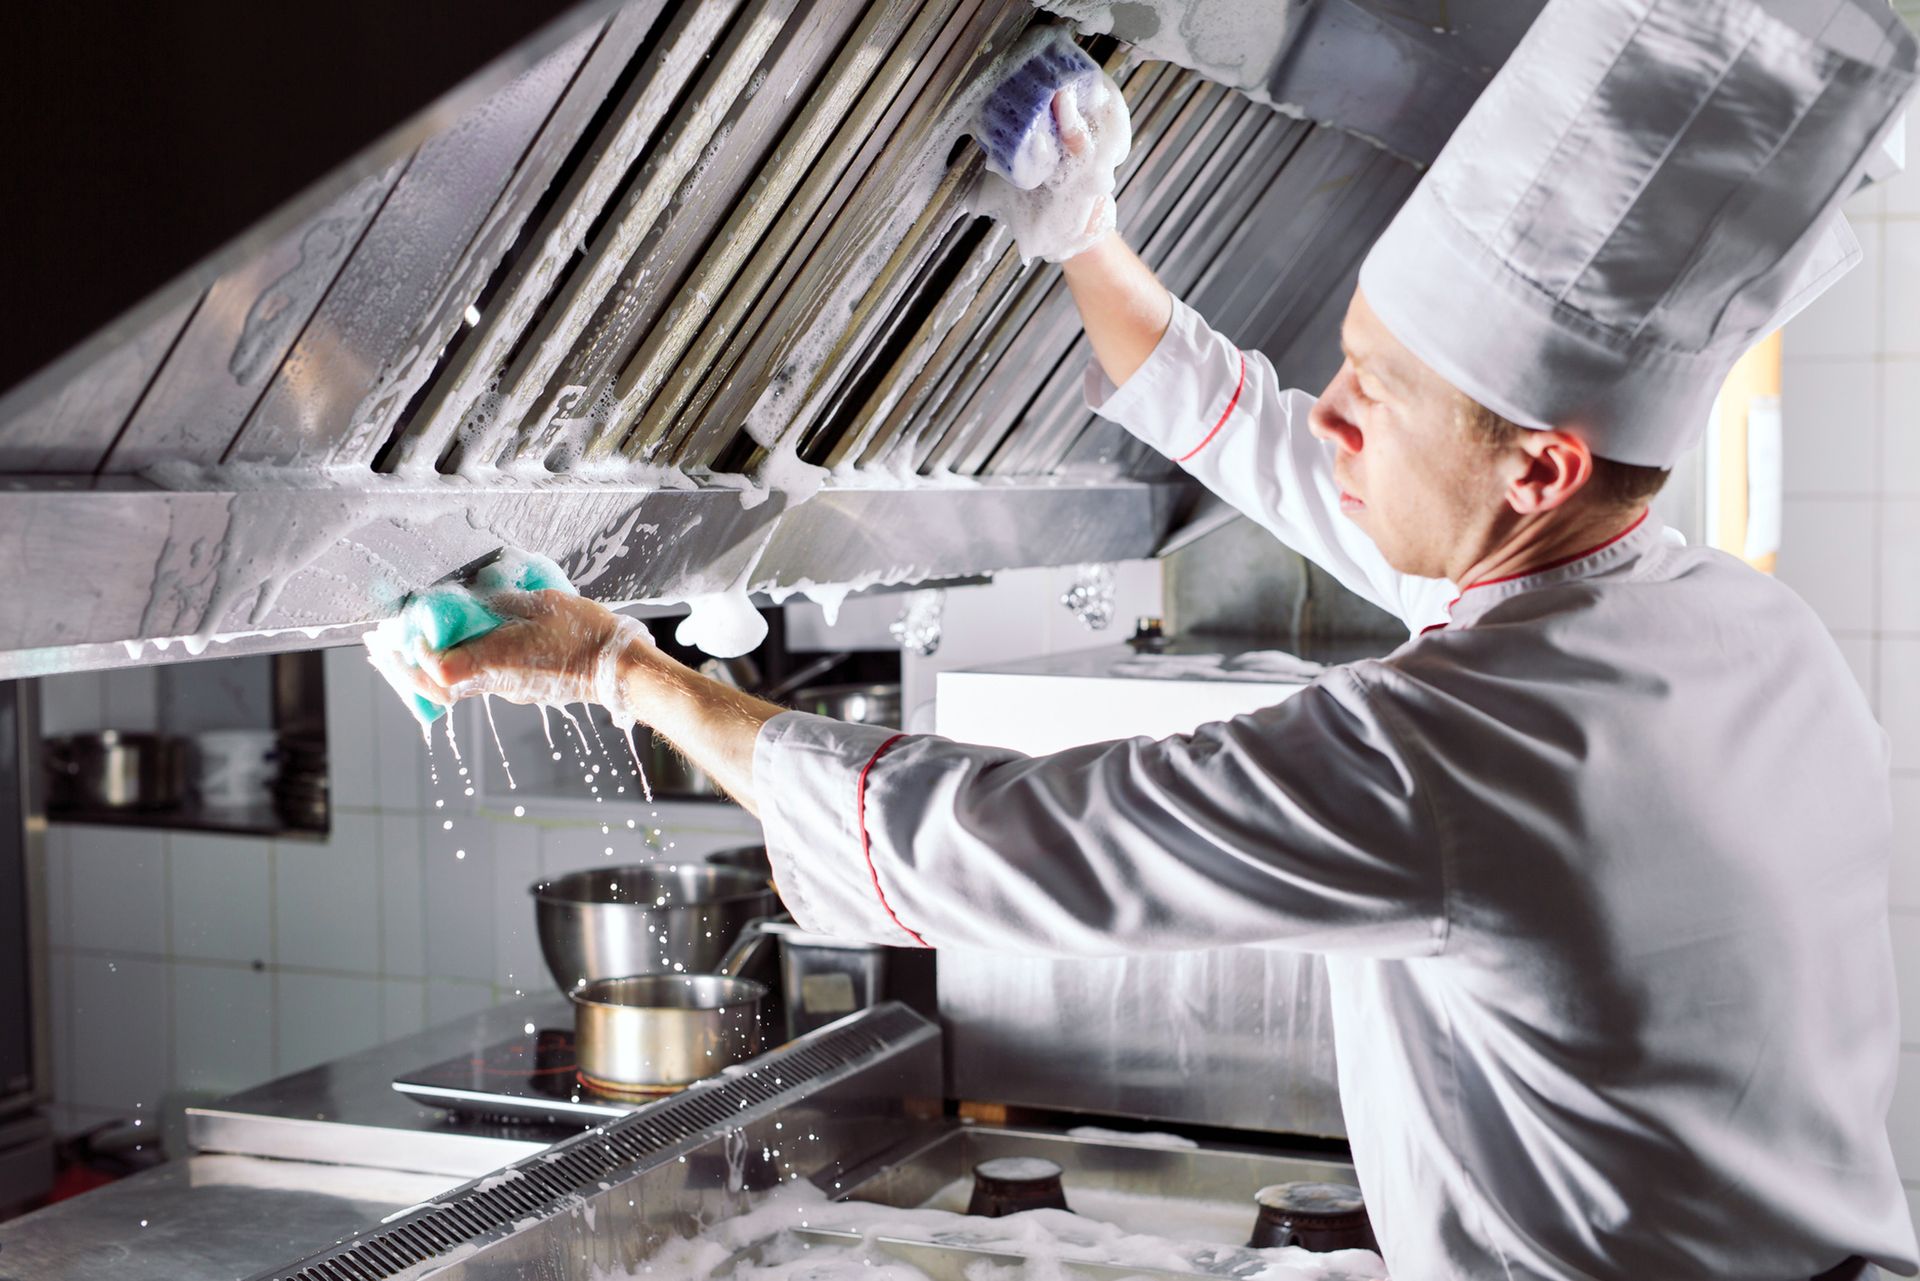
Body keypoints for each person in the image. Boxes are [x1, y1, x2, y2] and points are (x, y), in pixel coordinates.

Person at [400, 1, 1920, 1276]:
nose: (1335, 408)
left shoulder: (1456, 747)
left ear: (1540, 469)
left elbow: (978, 844)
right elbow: (1287, 452)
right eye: (1350, 357)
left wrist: (622, 670)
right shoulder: (1721, 621)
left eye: (1378, 390)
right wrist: (1086, 238)